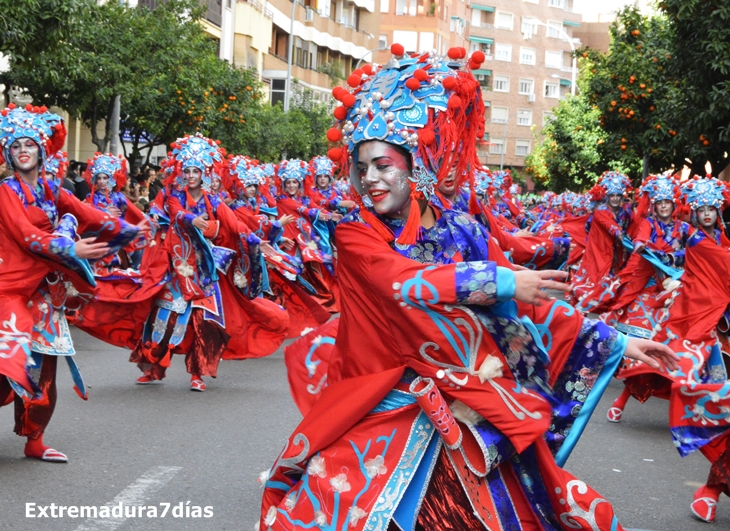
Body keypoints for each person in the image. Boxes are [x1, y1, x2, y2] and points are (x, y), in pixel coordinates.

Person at [259, 47, 677, 531]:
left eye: (382, 164)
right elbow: (401, 284)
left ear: (417, 164)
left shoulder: (465, 230)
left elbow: (527, 307)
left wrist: (619, 340)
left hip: (471, 408)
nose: (369, 178)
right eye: (361, 167)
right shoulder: (357, 235)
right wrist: (502, 279)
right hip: (386, 406)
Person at [0, 103, 142, 462]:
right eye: (16, 146)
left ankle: (35, 440)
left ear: (42, 150)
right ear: (8, 153)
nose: (23, 152)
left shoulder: (51, 189)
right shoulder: (5, 192)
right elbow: (25, 236)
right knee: (8, 364)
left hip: (47, 293)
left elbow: (87, 214)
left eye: (29, 145)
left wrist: (127, 231)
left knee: (45, 368)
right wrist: (70, 246)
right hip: (12, 287)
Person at [130, 134, 288, 391]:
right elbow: (174, 212)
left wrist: (257, 241)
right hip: (178, 268)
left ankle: (198, 374)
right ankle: (152, 366)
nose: (191, 175)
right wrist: (193, 221)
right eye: (187, 170)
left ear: (204, 174)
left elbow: (235, 225)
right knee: (165, 320)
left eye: (196, 171)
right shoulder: (174, 195)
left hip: (205, 271)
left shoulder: (213, 200)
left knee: (205, 323)